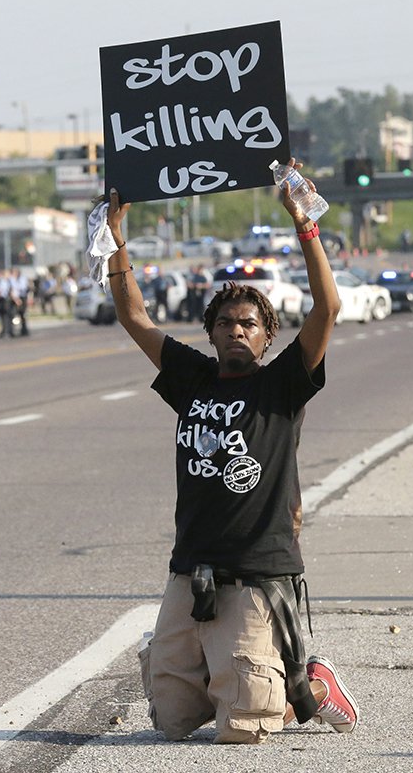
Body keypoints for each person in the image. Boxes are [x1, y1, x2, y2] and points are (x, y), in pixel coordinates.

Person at [105, 159, 358, 745]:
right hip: (190, 564)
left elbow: (327, 310)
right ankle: (219, 670)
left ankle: (311, 686)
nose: (236, 330)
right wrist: (118, 240)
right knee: (170, 721)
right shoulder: (192, 378)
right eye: (224, 323)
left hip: (257, 570)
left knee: (243, 726)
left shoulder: (283, 385)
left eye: (249, 323)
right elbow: (132, 315)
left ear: (268, 336)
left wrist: (305, 224)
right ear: (211, 333)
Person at [10, 267, 30, 336]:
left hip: (22, 297)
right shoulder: (12, 279)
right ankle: (13, 331)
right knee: (14, 315)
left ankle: (24, 330)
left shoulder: (22, 279)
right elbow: (13, 290)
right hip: (15, 298)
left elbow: (23, 288)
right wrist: (16, 299)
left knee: (22, 314)